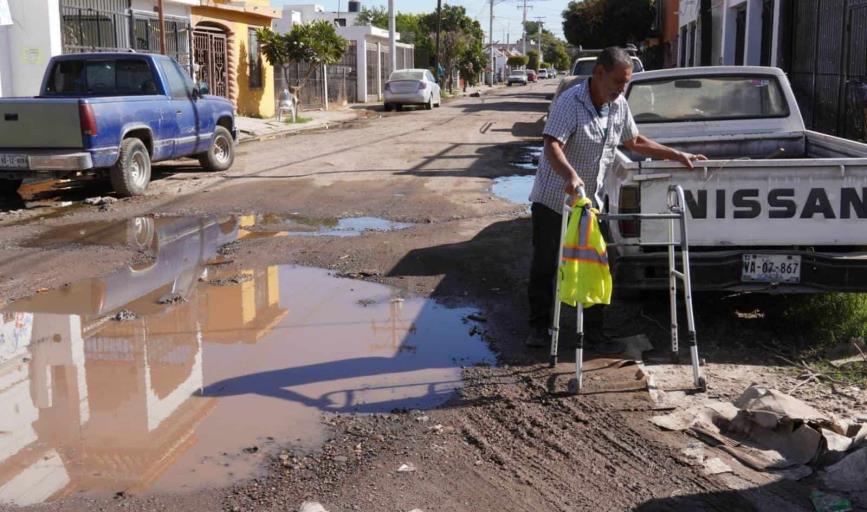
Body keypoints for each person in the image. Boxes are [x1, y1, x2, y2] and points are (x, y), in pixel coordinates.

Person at [525, 47, 707, 348]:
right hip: (554, 199)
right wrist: (569, 175)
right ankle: (538, 327)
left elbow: (634, 140)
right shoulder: (570, 102)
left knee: (597, 263)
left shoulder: (619, 104)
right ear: (599, 73)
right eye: (618, 82)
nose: (622, 88)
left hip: (590, 202)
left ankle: (593, 332)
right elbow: (552, 145)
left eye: (625, 82)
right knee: (547, 264)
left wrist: (676, 154)